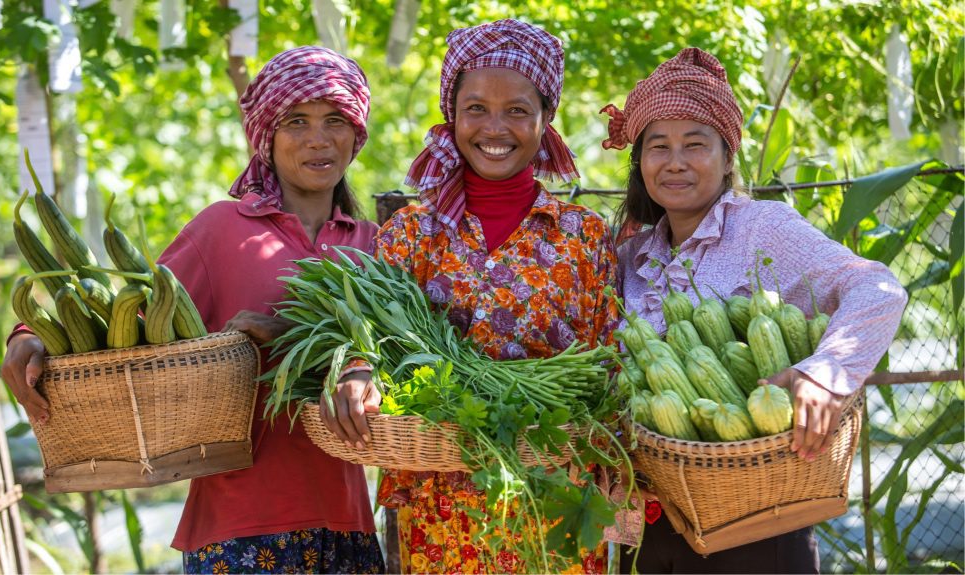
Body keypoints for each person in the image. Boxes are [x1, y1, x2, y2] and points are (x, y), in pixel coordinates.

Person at [0, 46, 385, 574]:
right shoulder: (221, 231)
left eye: (336, 121)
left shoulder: (375, 246)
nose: (319, 139)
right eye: (297, 121)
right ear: (266, 137)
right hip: (237, 525)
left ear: (356, 135)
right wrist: (28, 333)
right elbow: (127, 322)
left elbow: (400, 361)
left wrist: (294, 335)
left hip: (349, 526)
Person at [321, 18, 619, 575]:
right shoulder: (412, 232)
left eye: (517, 110)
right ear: (452, 115)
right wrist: (357, 368)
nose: (495, 127)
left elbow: (610, 364)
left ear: (546, 119)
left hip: (554, 502)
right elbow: (367, 336)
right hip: (440, 511)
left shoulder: (583, 236)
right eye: (476, 108)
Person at [602, 47, 908, 573]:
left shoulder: (762, 228)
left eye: (695, 144)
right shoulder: (631, 257)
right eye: (658, 147)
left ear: (727, 158)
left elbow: (878, 289)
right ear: (640, 163)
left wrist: (826, 373)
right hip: (651, 522)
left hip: (757, 521)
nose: (675, 161)